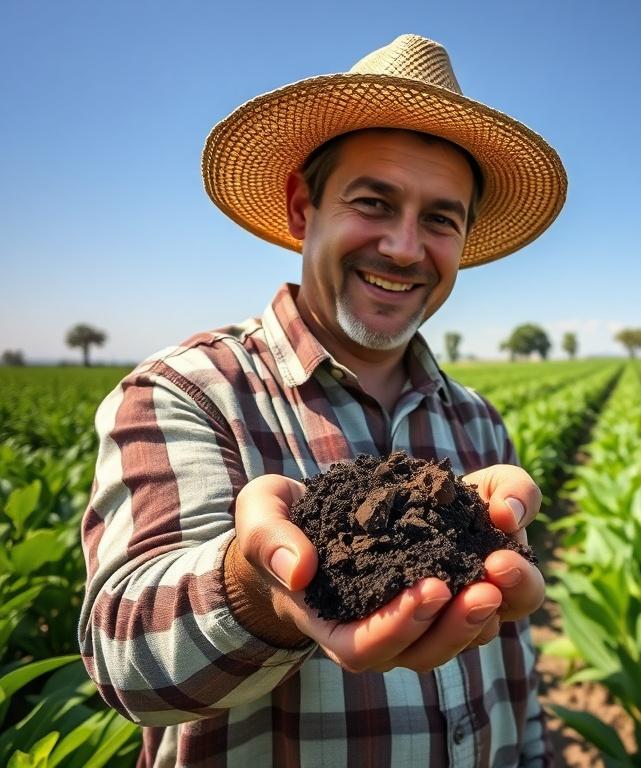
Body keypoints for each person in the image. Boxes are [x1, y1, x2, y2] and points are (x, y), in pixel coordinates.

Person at [78, 34, 567, 767]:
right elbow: (124, 659)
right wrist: (258, 589)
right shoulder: (186, 391)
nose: (404, 247)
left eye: (441, 218)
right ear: (304, 209)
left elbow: (508, 649)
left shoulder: (477, 421)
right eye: (373, 202)